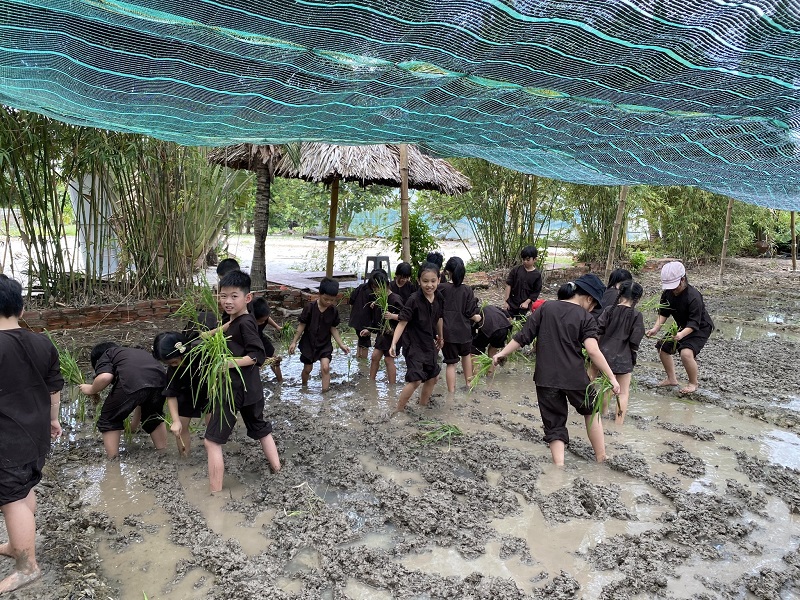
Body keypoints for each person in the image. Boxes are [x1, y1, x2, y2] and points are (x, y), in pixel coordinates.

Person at [493, 274, 620, 465]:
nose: (593, 309)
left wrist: (501, 353)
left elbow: (522, 337)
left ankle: (558, 467)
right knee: (591, 409)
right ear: (588, 298)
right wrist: (611, 377)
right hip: (574, 377)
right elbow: (593, 351)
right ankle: (601, 456)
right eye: (594, 305)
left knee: (554, 423)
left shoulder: (545, 307)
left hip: (546, 378)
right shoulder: (585, 317)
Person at [0, 275, 63, 594]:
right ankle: (16, 544)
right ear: (22, 308)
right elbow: (54, 391)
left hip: (6, 440)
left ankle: (27, 567)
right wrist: (53, 421)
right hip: (36, 435)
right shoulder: (41, 342)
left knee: (10, 499)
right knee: (22, 490)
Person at [203, 270, 280, 492]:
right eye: (223, 295)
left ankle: (215, 495)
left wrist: (225, 364)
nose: (227, 301)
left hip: (234, 389)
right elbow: (216, 333)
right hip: (251, 389)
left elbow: (258, 356)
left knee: (212, 441)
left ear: (248, 298)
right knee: (260, 428)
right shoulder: (237, 320)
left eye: (234, 296)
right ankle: (278, 470)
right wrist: (209, 334)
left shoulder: (245, 324)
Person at [80, 342, 168, 459]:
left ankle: (113, 461)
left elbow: (105, 377)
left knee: (109, 419)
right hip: (160, 382)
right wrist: (133, 426)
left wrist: (91, 389)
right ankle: (163, 452)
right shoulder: (135, 353)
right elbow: (141, 396)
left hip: (132, 382)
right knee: (153, 417)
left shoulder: (106, 354)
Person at [645, 261, 714, 394]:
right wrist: (655, 329)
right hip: (682, 326)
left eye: (675, 286)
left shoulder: (694, 297)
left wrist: (681, 335)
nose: (673, 290)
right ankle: (672, 379)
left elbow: (694, 323)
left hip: (700, 327)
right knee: (662, 347)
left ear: (683, 279)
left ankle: (693, 383)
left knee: (686, 353)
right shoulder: (667, 294)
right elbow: (663, 313)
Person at [390, 262, 444, 412]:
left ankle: (423, 406)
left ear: (439, 280)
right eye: (425, 281)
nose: (429, 285)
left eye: (433, 281)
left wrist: (441, 336)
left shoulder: (439, 297)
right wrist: (393, 343)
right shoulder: (413, 299)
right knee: (416, 379)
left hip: (429, 343)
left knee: (433, 377)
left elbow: (439, 318)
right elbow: (402, 323)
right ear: (419, 281)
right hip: (413, 344)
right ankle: (398, 411)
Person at [596, 280, 645, 424]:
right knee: (623, 392)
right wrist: (632, 356)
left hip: (604, 355)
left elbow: (598, 330)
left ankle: (602, 416)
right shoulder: (636, 315)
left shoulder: (609, 310)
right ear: (638, 298)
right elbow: (635, 339)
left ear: (620, 294)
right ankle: (618, 424)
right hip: (624, 358)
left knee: (606, 387)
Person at [289, 278, 350, 392]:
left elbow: (333, 328)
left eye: (332, 300)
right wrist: (294, 341)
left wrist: (341, 344)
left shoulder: (333, 311)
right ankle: (304, 386)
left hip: (324, 344)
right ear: (319, 294)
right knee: (308, 369)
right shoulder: (310, 308)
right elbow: (302, 325)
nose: (328, 302)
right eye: (326, 299)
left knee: (325, 367)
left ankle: (325, 394)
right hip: (308, 343)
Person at [152, 331, 207, 456]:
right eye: (168, 364)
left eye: (174, 361)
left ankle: (213, 453)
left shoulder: (202, 353)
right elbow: (171, 394)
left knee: (213, 425)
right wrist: (175, 421)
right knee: (181, 425)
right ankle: (184, 457)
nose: (172, 365)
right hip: (186, 392)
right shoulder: (173, 370)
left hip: (209, 391)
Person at [439, 257, 481, 392]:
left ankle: (451, 393)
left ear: (448, 272)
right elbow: (469, 312)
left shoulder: (441, 288)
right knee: (466, 355)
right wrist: (477, 317)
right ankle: (469, 385)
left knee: (451, 364)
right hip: (464, 332)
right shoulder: (467, 290)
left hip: (447, 333)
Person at [368, 270, 404, 384]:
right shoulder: (379, 300)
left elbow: (405, 318)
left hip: (393, 335)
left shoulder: (395, 299)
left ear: (386, 286)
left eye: (377, 288)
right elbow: (377, 320)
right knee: (374, 357)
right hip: (383, 334)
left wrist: (392, 316)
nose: (375, 291)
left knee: (389, 360)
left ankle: (392, 386)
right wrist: (369, 330)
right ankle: (371, 381)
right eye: (374, 288)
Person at [349, 270, 382, 360]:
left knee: (360, 339)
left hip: (355, 319)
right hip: (365, 322)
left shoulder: (360, 287)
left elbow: (351, 300)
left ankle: (358, 357)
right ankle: (363, 364)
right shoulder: (373, 293)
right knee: (365, 344)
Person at [471, 305, 512, 377]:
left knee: (474, 352)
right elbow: (509, 317)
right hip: (504, 328)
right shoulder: (493, 307)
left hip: (488, 328)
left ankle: (475, 375)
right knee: (493, 350)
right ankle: (490, 374)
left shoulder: (473, 312)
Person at [503, 245, 543, 318]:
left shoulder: (537, 275)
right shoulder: (516, 270)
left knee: (519, 323)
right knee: (506, 321)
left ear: (535, 259)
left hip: (524, 305)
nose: (525, 261)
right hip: (512, 302)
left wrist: (527, 302)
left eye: (528, 260)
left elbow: (536, 291)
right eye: (523, 259)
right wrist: (506, 301)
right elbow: (508, 285)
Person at [251, 297, 283, 382]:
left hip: (260, 337)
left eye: (264, 320)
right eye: (260, 321)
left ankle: (280, 381)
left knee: (274, 359)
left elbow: (267, 319)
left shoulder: (264, 317)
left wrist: (277, 327)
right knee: (255, 364)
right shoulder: (248, 322)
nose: (262, 323)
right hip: (252, 341)